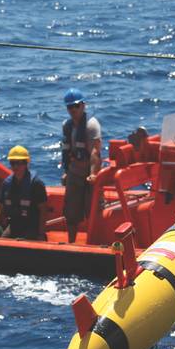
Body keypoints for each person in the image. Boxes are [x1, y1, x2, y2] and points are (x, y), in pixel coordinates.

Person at [60, 88, 102, 243]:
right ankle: (71, 241)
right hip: (74, 173)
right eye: (70, 107)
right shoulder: (67, 125)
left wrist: (93, 174)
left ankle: (94, 242)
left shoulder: (91, 125)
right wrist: (66, 172)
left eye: (76, 106)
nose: (73, 110)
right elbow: (66, 150)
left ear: (83, 105)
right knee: (71, 213)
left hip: (90, 174)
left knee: (93, 212)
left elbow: (95, 152)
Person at [0, 145, 48, 240]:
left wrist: (41, 233)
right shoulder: (7, 183)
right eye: (12, 163)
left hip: (32, 227)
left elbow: (43, 210)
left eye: (19, 163)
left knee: (23, 244)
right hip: (14, 225)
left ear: (26, 163)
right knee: (2, 243)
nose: (15, 166)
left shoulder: (36, 184)